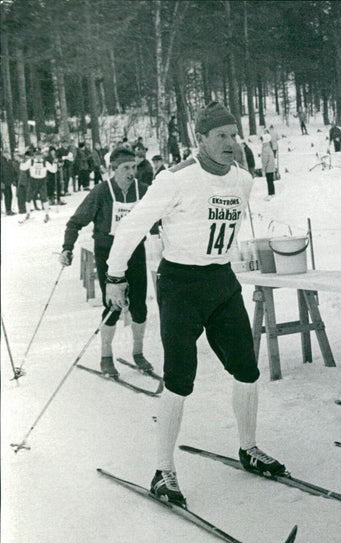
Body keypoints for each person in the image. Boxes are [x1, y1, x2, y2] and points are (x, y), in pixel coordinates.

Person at [104, 101, 286, 507]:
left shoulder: (243, 178)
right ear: (199, 139)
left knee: (246, 368)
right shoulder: (175, 179)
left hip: (220, 281)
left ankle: (248, 446)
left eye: (234, 135)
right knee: (180, 377)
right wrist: (115, 276)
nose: (230, 143)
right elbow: (132, 225)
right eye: (220, 136)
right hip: (181, 283)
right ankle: (162, 469)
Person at [60, 147, 153, 378]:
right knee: (113, 306)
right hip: (108, 256)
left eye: (134, 167)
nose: (132, 172)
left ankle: (138, 353)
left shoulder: (143, 191)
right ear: (114, 169)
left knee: (139, 306)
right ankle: (106, 356)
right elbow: (74, 222)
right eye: (126, 168)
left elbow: (163, 216)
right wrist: (67, 247)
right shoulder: (102, 192)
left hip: (135, 253)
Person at [1, 149, 17, 216]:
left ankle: (9, 209)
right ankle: (7, 210)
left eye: (8, 153)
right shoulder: (2, 161)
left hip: (8, 181)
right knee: (6, 196)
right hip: (3, 182)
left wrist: (13, 179)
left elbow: (12, 171)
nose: (8, 155)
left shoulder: (8, 161)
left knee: (9, 195)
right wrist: (1, 182)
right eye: (6, 153)